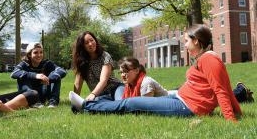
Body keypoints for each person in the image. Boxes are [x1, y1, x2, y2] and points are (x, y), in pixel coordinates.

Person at [69, 25, 242, 122]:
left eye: (186, 41)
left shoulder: (210, 60)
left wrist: (231, 119)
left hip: (188, 107)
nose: (185, 45)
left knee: (129, 104)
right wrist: (239, 113)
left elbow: (222, 90)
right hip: (180, 98)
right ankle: (90, 105)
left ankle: (86, 106)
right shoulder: (205, 58)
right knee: (133, 103)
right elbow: (226, 87)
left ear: (196, 41)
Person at [72, 31, 124, 102]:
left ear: (95, 40)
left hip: (116, 88)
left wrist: (93, 94)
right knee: (91, 104)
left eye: (91, 40)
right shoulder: (81, 62)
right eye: (86, 43)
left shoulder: (105, 56)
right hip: (100, 94)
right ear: (82, 46)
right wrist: (75, 101)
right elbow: (78, 83)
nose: (90, 44)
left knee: (120, 102)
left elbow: (103, 80)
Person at [11, 42, 67, 108]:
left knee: (56, 75)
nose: (39, 55)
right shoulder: (24, 64)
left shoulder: (47, 63)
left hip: (43, 92)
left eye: (41, 52)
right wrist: (35, 75)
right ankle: (34, 102)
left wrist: (49, 79)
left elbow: (62, 71)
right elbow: (14, 73)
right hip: (29, 94)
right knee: (22, 77)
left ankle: (53, 102)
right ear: (29, 54)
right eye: (35, 52)